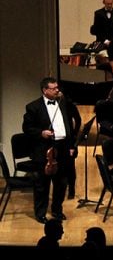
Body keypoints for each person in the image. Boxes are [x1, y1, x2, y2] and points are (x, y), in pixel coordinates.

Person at [22, 77, 78, 223]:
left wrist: (71, 145)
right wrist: (41, 133)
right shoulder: (33, 107)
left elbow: (69, 126)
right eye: (53, 89)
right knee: (42, 184)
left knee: (61, 183)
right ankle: (40, 213)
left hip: (63, 148)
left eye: (57, 88)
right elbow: (27, 128)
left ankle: (57, 210)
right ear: (45, 90)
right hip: (45, 150)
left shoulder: (63, 103)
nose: (57, 90)